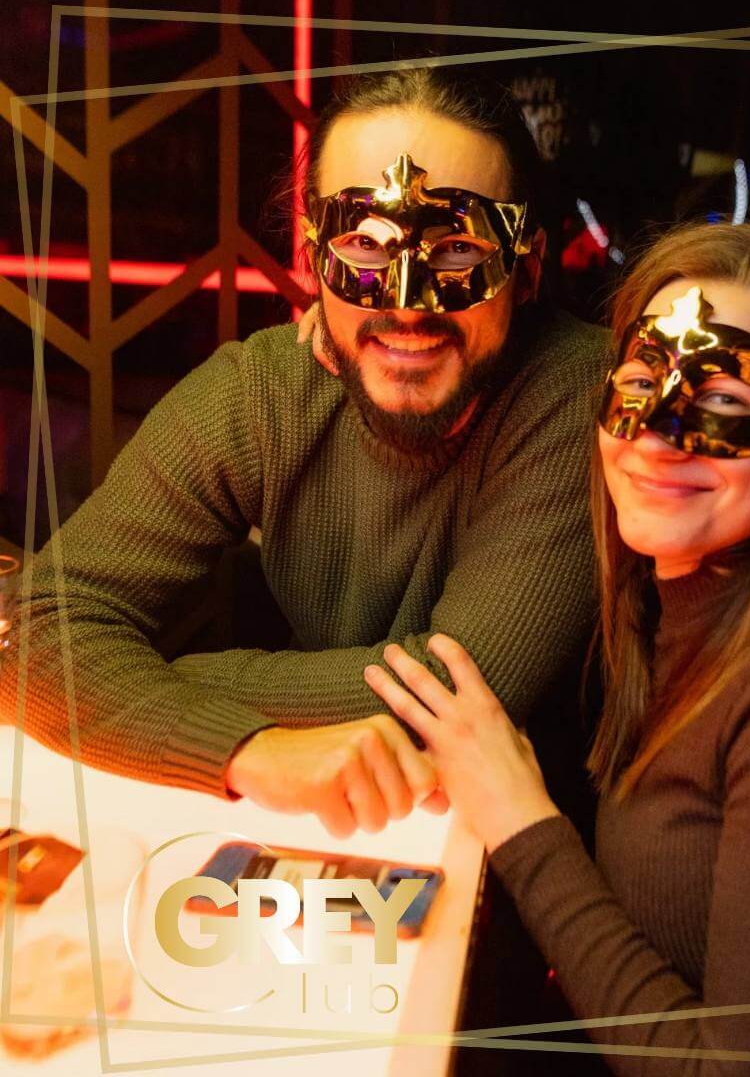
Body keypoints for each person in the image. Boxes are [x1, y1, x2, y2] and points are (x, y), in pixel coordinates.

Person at [363, 221, 750, 1072]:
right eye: (642, 380)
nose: (655, 433)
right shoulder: (662, 607)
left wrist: (519, 818)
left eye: (724, 401)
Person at [2, 67, 609, 838]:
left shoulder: (581, 391)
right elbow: (37, 634)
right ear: (316, 256)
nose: (406, 304)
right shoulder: (262, 389)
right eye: (364, 243)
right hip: (316, 829)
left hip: (515, 854)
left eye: (457, 249)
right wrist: (249, 751)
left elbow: (460, 697)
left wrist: (158, 688)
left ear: (526, 269)